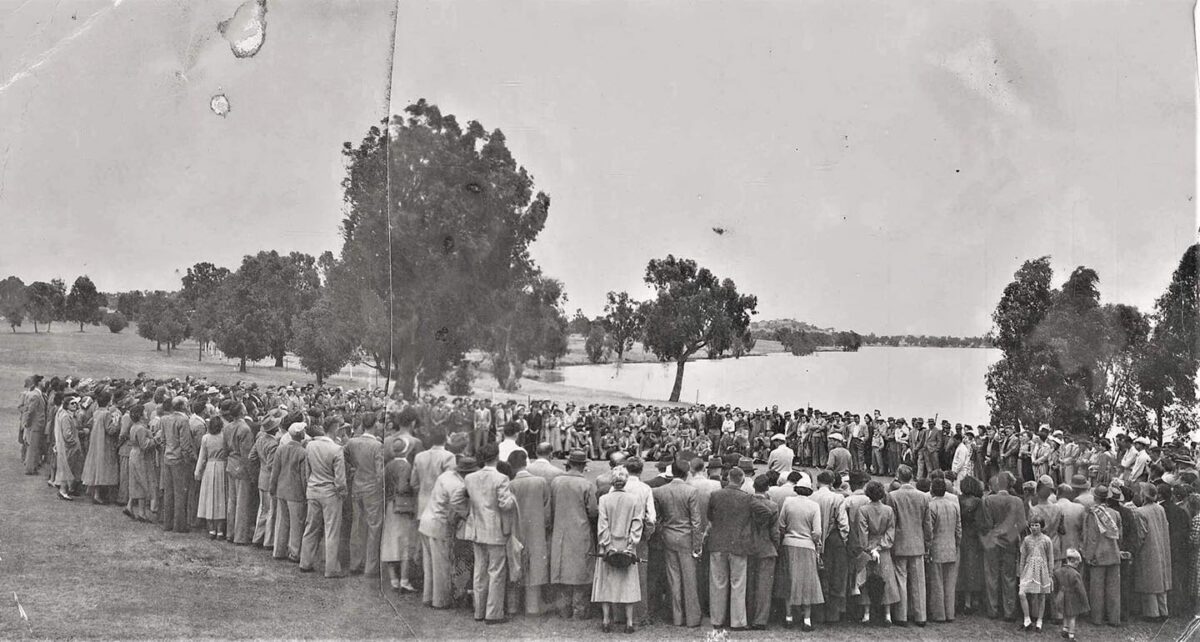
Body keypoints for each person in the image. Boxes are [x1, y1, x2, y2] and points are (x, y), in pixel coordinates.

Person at [462, 442, 517, 624]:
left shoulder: (470, 478)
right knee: (496, 572)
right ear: (497, 457)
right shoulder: (501, 478)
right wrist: (512, 498)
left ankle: (479, 611)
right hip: (495, 529)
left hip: (477, 527)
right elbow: (505, 504)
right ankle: (493, 613)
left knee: (479, 571)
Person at [592, 467, 645, 634]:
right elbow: (637, 524)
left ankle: (606, 620)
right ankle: (629, 622)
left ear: (612, 481)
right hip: (627, 546)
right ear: (626, 480)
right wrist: (631, 546)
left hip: (608, 546)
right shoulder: (634, 499)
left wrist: (608, 546)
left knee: (606, 583)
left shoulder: (604, 500)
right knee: (628, 583)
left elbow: (603, 525)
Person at [653, 458, 703, 628]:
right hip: (686, 537)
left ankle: (677, 617)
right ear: (686, 473)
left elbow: (657, 519)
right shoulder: (691, 491)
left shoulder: (660, 491)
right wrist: (697, 545)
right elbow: (696, 522)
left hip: (668, 536)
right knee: (689, 579)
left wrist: (663, 532)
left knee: (673, 578)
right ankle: (692, 618)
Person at [418, 455, 473, 610]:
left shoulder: (446, 475)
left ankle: (428, 597)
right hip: (439, 525)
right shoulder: (458, 486)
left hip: (426, 520)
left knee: (429, 565)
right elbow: (456, 504)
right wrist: (466, 513)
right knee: (441, 566)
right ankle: (440, 601)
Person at [550, 450, 599, 619]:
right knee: (580, 570)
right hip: (580, 530)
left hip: (560, 530)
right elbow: (593, 511)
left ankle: (563, 609)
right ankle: (579, 610)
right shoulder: (586, 485)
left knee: (562, 568)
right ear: (583, 466)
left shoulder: (556, 482)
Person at [706, 466, 753, 631]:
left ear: (727, 478)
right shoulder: (747, 498)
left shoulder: (715, 495)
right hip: (738, 544)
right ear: (742, 480)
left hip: (718, 542)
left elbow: (710, 517)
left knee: (718, 582)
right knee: (738, 583)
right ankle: (738, 621)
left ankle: (717, 620)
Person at [299, 421, 347, 578]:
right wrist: (343, 493)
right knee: (331, 530)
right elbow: (340, 480)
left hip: (313, 489)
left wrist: (309, 485)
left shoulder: (311, 445)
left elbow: (307, 470)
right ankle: (330, 568)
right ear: (335, 429)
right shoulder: (336, 449)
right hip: (330, 493)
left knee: (311, 527)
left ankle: (305, 562)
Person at [777, 471, 823, 631]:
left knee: (790, 579)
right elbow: (817, 531)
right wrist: (816, 543)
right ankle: (807, 619)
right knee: (807, 582)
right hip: (807, 545)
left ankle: (788, 617)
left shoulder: (788, 502)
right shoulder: (814, 506)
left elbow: (781, 524)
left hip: (789, 543)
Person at [507, 449, 551, 616]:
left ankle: (512, 606)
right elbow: (547, 510)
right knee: (535, 568)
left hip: (516, 530)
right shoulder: (540, 482)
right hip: (537, 530)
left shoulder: (511, 484)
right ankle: (532, 607)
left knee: (515, 567)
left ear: (511, 466)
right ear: (526, 462)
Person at [886, 464, 929, 627]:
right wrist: (927, 541)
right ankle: (920, 616)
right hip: (917, 542)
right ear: (911, 477)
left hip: (900, 542)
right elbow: (927, 523)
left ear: (898, 476)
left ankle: (901, 615)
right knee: (919, 581)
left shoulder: (893, 495)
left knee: (900, 579)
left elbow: (891, 521)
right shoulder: (923, 496)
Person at [980, 471, 1027, 621]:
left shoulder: (988, 500)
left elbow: (986, 523)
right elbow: (1021, 524)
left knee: (991, 574)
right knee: (1009, 576)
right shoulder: (1017, 501)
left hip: (993, 540)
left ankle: (992, 609)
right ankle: (1009, 611)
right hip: (1010, 541)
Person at [344, 418, 385, 578]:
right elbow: (380, 472)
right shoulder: (377, 446)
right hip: (372, 488)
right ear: (375, 425)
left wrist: (354, 466)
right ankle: (371, 566)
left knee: (357, 525)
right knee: (374, 527)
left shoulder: (352, 442)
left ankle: (355, 563)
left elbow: (344, 455)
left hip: (357, 484)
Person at [857, 480, 899, 625]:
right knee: (886, 579)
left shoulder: (863, 510)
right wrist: (881, 547)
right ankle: (887, 615)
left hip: (869, 549)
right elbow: (891, 531)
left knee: (867, 579)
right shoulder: (888, 510)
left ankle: (866, 614)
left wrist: (869, 548)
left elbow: (863, 533)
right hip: (883, 549)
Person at [1081, 485, 1123, 626]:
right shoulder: (1115, 513)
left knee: (1097, 589)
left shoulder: (1092, 514)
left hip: (1098, 555)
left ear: (1095, 497)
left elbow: (1092, 538)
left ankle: (1097, 618)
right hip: (1113, 553)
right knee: (1113, 589)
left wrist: (1089, 555)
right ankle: (1114, 619)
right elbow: (1119, 535)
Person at [811, 469, 849, 623]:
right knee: (836, 576)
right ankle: (833, 614)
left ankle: (818, 613)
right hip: (834, 539)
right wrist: (844, 539)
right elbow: (843, 523)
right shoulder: (838, 497)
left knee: (820, 575)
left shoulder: (812, 496)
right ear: (832, 483)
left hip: (816, 538)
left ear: (818, 482)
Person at [270, 423, 308, 563]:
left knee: (282, 521)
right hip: (296, 492)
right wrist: (305, 493)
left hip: (281, 489)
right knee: (296, 523)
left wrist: (272, 487)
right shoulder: (303, 452)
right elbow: (304, 476)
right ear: (300, 434)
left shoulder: (281, 449)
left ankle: (279, 550)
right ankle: (294, 552)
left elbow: (275, 471)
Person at [381, 439, 416, 591]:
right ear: (406, 450)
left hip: (389, 505)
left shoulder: (388, 465)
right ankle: (404, 580)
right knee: (405, 542)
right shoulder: (406, 465)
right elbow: (403, 486)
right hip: (402, 506)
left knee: (390, 541)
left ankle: (393, 579)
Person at [1133, 484, 1172, 621]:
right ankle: (1163, 610)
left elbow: (1140, 535)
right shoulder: (1160, 508)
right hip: (1160, 547)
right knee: (1160, 580)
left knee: (1149, 580)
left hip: (1148, 549)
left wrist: (1135, 550)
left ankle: (1152, 613)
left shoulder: (1140, 512)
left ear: (1144, 495)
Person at [746, 474, 779, 631]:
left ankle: (748, 615)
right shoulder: (772, 506)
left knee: (749, 584)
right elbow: (775, 532)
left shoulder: (747, 503)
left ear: (754, 487)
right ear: (767, 488)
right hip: (767, 547)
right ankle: (760, 619)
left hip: (749, 546)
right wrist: (776, 546)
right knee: (764, 586)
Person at [926, 477, 961, 623]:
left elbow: (929, 531)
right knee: (949, 583)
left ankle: (939, 614)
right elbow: (959, 529)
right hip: (951, 547)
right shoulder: (954, 506)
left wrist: (927, 548)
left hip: (936, 548)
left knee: (937, 582)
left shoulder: (931, 506)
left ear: (932, 490)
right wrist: (957, 544)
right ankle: (950, 613)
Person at [80, 390, 120, 504]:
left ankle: (94, 492)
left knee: (96, 466)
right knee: (103, 467)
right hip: (104, 443)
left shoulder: (97, 412)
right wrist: (116, 422)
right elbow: (110, 430)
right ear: (108, 401)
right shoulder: (106, 414)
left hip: (96, 442)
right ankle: (97, 495)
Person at [193, 416, 228, 539]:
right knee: (221, 498)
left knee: (209, 497)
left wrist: (197, 472)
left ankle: (211, 529)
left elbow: (202, 457)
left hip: (209, 467)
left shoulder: (206, 438)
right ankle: (220, 530)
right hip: (222, 466)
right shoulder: (224, 437)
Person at [1018, 515, 1054, 632]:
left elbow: (1050, 558)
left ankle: (1039, 621)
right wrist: (1021, 573)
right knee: (1022, 593)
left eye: (1036, 525)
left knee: (1041, 595)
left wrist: (1050, 574)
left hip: (1042, 570)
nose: (1034, 528)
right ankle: (1027, 619)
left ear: (1041, 526)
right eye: (1032, 525)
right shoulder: (1027, 540)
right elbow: (1023, 557)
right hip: (1028, 569)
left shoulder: (1047, 540)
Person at [956, 475, 985, 614]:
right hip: (974, 537)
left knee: (963, 569)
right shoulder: (978, 502)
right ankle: (974, 600)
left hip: (962, 536)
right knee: (974, 569)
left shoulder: (958, 500)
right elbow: (980, 522)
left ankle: (966, 601)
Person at [123, 404, 155, 522]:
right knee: (142, 480)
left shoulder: (134, 426)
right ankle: (141, 512)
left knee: (136, 481)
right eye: (144, 412)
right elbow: (144, 445)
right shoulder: (141, 428)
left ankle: (130, 506)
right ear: (141, 415)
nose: (146, 413)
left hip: (134, 454)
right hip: (140, 456)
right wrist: (155, 439)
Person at [1053, 548, 1089, 641]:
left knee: (1065, 614)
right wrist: (1085, 602)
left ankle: (1065, 629)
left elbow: (1055, 585)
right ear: (1076, 562)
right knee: (1072, 617)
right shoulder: (1076, 574)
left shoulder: (1058, 571)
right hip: (1072, 597)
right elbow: (1081, 590)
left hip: (1061, 595)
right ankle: (1071, 636)